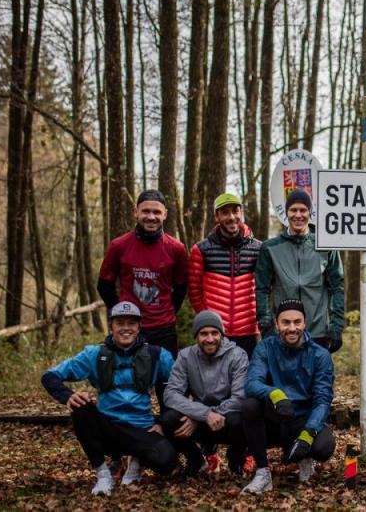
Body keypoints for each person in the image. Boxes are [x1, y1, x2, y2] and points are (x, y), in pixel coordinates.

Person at [41, 302, 177, 496]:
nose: (126, 328)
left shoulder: (157, 355)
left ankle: (136, 460)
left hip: (142, 428)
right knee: (81, 407)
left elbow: (179, 390)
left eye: (131, 323)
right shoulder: (94, 354)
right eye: (120, 323)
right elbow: (49, 376)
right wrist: (68, 396)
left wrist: (164, 423)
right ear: (111, 326)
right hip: (107, 428)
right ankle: (103, 474)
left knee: (167, 462)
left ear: (139, 327)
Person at [241, 299, 336, 493]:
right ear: (277, 324)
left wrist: (307, 434)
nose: (292, 328)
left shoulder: (320, 355)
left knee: (324, 447)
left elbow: (323, 399)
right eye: (285, 322)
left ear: (304, 323)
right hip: (275, 415)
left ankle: (304, 456)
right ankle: (262, 472)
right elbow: (251, 383)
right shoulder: (265, 348)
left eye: (297, 322)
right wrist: (275, 393)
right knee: (249, 406)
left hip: (303, 419)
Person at [98, 189, 189, 357]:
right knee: (127, 381)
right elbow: (104, 285)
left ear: (165, 215)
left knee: (168, 381)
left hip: (164, 329)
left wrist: (166, 311)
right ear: (136, 212)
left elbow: (181, 288)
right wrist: (120, 311)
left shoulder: (177, 249)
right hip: (129, 327)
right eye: (146, 211)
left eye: (157, 212)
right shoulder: (119, 246)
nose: (151, 217)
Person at [160, 310, 250, 476]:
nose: (209, 339)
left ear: (221, 334)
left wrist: (209, 413)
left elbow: (239, 399)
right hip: (201, 416)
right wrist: (202, 414)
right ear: (196, 336)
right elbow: (171, 393)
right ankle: (196, 459)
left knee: (244, 418)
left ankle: (235, 459)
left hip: (226, 418)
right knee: (168, 419)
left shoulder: (237, 355)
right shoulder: (186, 356)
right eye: (204, 334)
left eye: (214, 333)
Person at [256, 189, 345, 353]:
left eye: (303, 210)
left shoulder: (325, 245)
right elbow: (262, 289)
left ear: (310, 212)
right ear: (286, 213)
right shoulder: (270, 248)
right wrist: (265, 324)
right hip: (283, 331)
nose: (298, 215)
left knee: (318, 378)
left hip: (318, 331)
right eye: (293, 210)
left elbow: (337, 286)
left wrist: (337, 325)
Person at [188, 193, 263, 360]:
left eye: (236, 211)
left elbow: (266, 288)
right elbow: (194, 291)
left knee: (248, 382)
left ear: (242, 213)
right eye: (225, 212)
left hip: (249, 332)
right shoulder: (201, 250)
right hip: (216, 334)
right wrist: (208, 320)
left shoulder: (259, 248)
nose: (231, 217)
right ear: (217, 216)